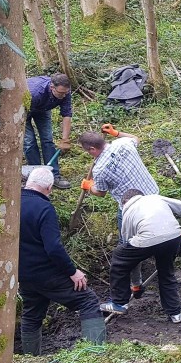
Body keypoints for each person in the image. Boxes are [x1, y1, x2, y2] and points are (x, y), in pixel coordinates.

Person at [18, 167, 105, 354]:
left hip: (23, 274)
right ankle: (95, 354)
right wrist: (72, 272)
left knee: (32, 313)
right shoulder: (44, 208)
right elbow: (54, 248)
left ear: (28, 182)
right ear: (49, 188)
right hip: (47, 273)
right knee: (88, 300)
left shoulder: (12, 203)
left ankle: (30, 358)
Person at [78, 126, 159, 300]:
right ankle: (162, 258)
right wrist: (116, 133)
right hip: (154, 196)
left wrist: (88, 186)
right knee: (157, 231)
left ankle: (135, 286)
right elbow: (136, 137)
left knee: (127, 249)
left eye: (87, 151)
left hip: (132, 209)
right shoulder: (123, 143)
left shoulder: (99, 169)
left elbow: (100, 192)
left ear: (92, 149)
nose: (87, 154)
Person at [100, 189, 181, 323]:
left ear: (125, 203)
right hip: (174, 237)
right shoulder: (156, 198)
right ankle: (175, 313)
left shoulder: (128, 213)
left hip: (148, 239)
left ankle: (119, 303)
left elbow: (132, 261)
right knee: (166, 272)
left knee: (119, 257)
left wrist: (136, 285)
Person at [25, 73, 74, 189]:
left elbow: (67, 114)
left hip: (43, 108)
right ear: (52, 87)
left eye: (65, 93)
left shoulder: (65, 91)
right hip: (24, 109)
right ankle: (36, 176)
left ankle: (53, 175)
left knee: (47, 140)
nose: (63, 96)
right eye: (60, 93)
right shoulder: (36, 92)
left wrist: (65, 139)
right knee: (29, 142)